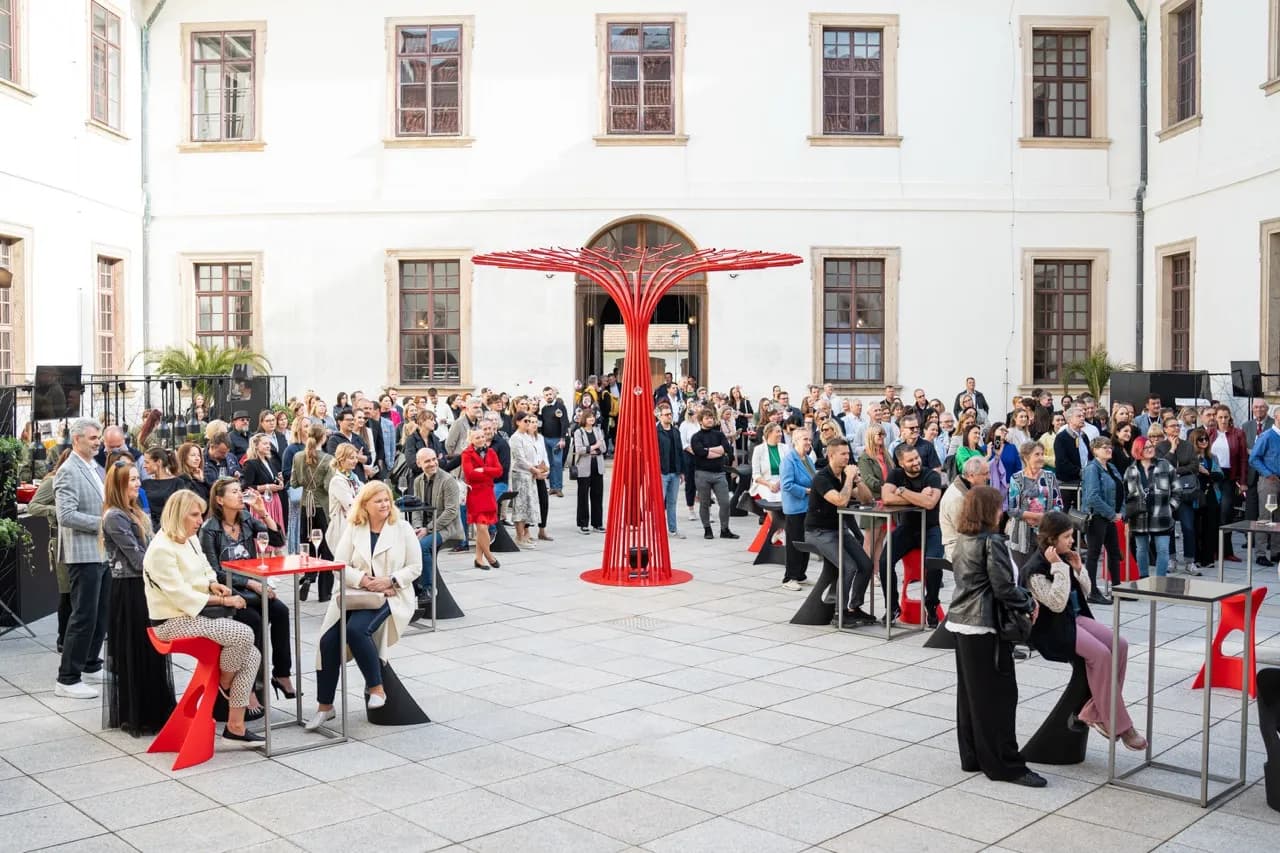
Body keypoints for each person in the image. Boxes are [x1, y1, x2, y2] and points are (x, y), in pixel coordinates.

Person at [143, 491, 263, 747]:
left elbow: (206, 568)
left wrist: (212, 585)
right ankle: (224, 682)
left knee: (253, 655)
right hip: (170, 622)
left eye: (201, 515)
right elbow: (180, 595)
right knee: (244, 634)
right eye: (195, 515)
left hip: (194, 614)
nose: (200, 520)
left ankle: (236, 726)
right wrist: (223, 600)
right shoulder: (161, 549)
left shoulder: (189, 539)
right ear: (178, 515)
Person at [1020, 512, 1147, 751]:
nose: (1071, 541)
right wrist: (1059, 569)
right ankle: (1120, 725)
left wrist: (1078, 569)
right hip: (1053, 630)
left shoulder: (1066, 557)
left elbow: (1085, 593)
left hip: (1075, 618)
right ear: (1051, 539)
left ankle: (1095, 711)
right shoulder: (1034, 570)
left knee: (1119, 644)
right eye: (1066, 537)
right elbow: (1056, 603)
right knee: (1100, 655)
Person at [946, 485, 1044, 787]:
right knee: (999, 698)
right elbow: (1002, 587)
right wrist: (1029, 601)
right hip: (984, 624)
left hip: (963, 623)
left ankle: (973, 754)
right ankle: (1005, 764)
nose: (1002, 511)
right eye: (999, 507)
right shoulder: (992, 542)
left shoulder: (964, 539)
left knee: (971, 696)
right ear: (989, 511)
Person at [305, 481, 422, 730]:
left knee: (357, 630)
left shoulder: (402, 528)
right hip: (356, 593)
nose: (384, 504)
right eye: (378, 500)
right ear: (365, 505)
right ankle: (325, 707)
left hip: (390, 594)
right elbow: (339, 564)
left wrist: (390, 580)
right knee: (327, 643)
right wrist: (364, 580)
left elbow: (415, 567)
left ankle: (376, 687)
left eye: (387, 499)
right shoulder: (355, 528)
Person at [100, 460, 176, 735]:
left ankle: (154, 710)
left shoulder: (134, 512)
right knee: (136, 651)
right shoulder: (114, 517)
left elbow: (153, 545)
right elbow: (138, 557)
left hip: (143, 587)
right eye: (132, 479)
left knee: (150, 651)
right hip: (129, 591)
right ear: (120, 484)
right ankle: (140, 714)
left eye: (136, 478)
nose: (138, 483)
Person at [200, 477, 292, 702]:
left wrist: (264, 512)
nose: (240, 495)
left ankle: (281, 674)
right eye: (234, 492)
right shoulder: (209, 530)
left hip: (254, 588)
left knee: (281, 612)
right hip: (230, 592)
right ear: (220, 500)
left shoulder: (248, 519)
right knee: (254, 621)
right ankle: (249, 685)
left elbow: (277, 540)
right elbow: (213, 571)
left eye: (240, 490)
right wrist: (251, 583)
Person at [53, 418, 110, 699]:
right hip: (82, 553)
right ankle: (67, 678)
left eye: (98, 437)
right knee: (84, 615)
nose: (97, 441)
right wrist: (104, 523)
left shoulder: (95, 468)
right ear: (76, 439)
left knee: (101, 613)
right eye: (92, 437)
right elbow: (65, 516)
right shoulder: (68, 471)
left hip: (101, 552)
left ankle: (90, 663)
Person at [803, 436, 877, 623]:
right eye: (843, 454)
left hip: (839, 529)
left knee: (866, 565)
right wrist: (849, 479)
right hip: (818, 532)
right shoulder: (822, 478)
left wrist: (858, 481)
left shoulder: (845, 476)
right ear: (831, 455)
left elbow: (867, 500)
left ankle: (854, 607)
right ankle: (839, 612)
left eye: (848, 454)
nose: (847, 458)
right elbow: (840, 500)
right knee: (849, 566)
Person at [880, 445, 945, 626]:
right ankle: (892, 607)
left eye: (916, 458)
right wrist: (918, 497)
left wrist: (902, 491)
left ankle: (931, 605)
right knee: (884, 561)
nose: (916, 462)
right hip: (907, 528)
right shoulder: (895, 474)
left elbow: (930, 503)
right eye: (910, 460)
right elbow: (886, 498)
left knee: (933, 562)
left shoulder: (931, 475)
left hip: (931, 527)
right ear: (901, 463)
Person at [411, 447, 463, 608]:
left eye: (434, 459)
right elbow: (417, 508)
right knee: (406, 544)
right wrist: (418, 527)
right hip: (427, 527)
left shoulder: (448, 481)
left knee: (422, 546)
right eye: (427, 461)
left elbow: (451, 512)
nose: (433, 463)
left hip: (447, 528)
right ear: (419, 464)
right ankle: (413, 585)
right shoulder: (418, 481)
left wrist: (428, 529)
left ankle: (428, 588)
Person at [291, 424, 335, 601]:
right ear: (323, 438)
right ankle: (325, 592)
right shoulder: (327, 459)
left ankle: (308, 577)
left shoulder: (298, 456)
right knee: (327, 548)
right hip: (322, 507)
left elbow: (294, 482)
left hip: (305, 507)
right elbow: (327, 486)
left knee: (307, 545)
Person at [1123, 439, 1176, 577]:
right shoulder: (1131, 470)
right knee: (1141, 549)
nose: (1150, 449)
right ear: (1137, 450)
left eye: (1151, 446)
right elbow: (1125, 494)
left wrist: (1171, 507)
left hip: (1162, 516)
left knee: (1163, 550)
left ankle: (1160, 581)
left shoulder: (1165, 465)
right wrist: (1126, 517)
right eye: (1145, 447)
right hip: (1139, 517)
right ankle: (1144, 578)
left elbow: (1177, 488)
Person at [1005, 441, 1063, 563]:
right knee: (1024, 575)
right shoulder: (1016, 478)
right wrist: (1035, 516)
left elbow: (1058, 504)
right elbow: (1012, 509)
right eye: (1037, 454)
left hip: (1046, 533)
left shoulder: (1050, 476)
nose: (1041, 458)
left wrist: (1045, 518)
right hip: (1021, 535)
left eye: (1042, 454)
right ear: (1026, 457)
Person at [1156, 416, 1199, 574]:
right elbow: (1161, 466)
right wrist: (1172, 449)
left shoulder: (1188, 445)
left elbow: (1194, 465)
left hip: (1184, 493)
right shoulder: (1161, 446)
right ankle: (1171, 559)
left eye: (1178, 426)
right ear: (1165, 429)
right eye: (1172, 426)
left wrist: (1177, 471)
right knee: (1169, 527)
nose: (1176, 429)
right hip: (1166, 494)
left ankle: (1189, 561)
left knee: (1188, 527)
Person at [689, 407, 739, 540]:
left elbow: (726, 449)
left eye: (711, 417)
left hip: (719, 473)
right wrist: (717, 451)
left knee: (725, 502)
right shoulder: (696, 437)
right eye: (706, 418)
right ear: (701, 421)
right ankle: (707, 529)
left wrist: (709, 450)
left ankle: (724, 529)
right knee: (705, 503)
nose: (710, 420)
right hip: (702, 474)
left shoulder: (719, 434)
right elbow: (700, 453)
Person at [779, 428, 818, 589]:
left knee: (805, 542)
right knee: (795, 543)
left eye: (809, 439)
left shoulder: (807, 459)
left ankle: (801, 574)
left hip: (808, 507)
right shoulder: (789, 460)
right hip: (795, 507)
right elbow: (787, 484)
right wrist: (807, 491)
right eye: (804, 439)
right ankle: (790, 577)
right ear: (795, 441)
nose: (808, 442)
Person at [1207, 405, 1246, 563]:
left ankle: (1226, 551)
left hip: (1229, 477)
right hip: (1212, 477)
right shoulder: (1209, 434)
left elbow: (1244, 458)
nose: (1223, 420)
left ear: (1230, 417)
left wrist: (1243, 481)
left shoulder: (1238, 434)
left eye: (1226, 417)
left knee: (1226, 513)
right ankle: (1213, 550)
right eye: (1220, 417)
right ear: (1215, 418)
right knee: (1213, 514)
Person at [463, 425, 503, 568]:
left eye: (482, 436)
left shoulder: (491, 452)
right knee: (481, 527)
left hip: (488, 492)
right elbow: (470, 474)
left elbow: (499, 471)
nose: (481, 439)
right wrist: (487, 473)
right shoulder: (466, 454)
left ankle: (478, 558)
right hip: (475, 494)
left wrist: (484, 470)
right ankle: (489, 555)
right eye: (477, 437)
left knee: (484, 525)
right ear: (471, 439)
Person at [940, 457, 990, 561]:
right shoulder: (957, 498)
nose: (988, 477)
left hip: (970, 543)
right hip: (959, 549)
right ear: (971, 476)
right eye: (985, 474)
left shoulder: (969, 487)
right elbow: (965, 531)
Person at [1248, 404, 1280, 566]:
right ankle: (1260, 553)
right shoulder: (1267, 436)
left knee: (1278, 517)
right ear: (1277, 417)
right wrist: (1268, 473)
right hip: (1270, 481)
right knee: (1266, 516)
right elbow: (1253, 458)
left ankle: (1276, 551)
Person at [1189, 427, 1225, 570]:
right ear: (1194, 441)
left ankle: (1208, 558)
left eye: (1206, 439)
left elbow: (1220, 475)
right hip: (1195, 495)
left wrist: (1207, 472)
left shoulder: (1212, 457)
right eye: (1200, 439)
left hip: (1211, 495)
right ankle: (1196, 558)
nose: (1204, 441)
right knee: (1196, 527)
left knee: (1210, 527)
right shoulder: (1190, 458)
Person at [509, 412, 544, 548]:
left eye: (530, 421)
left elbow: (533, 454)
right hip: (520, 475)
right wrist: (533, 469)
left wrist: (537, 467)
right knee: (520, 506)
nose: (528, 423)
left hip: (529, 474)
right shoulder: (516, 438)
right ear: (518, 422)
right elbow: (519, 458)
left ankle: (524, 534)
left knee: (528, 505)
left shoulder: (527, 436)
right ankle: (519, 537)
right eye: (525, 421)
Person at [569, 410, 607, 535]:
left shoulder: (597, 430)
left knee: (597, 495)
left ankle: (597, 523)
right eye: (589, 417)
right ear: (584, 418)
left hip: (597, 466)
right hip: (584, 468)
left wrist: (592, 449)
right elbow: (580, 449)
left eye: (593, 417)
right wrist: (595, 446)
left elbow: (604, 448)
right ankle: (583, 523)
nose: (592, 419)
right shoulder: (578, 432)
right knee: (583, 496)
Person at [241, 433, 286, 532]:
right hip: (261, 503)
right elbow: (246, 487)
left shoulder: (270, 461)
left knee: (276, 533)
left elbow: (272, 480)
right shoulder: (250, 463)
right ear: (256, 446)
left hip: (274, 500)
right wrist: (267, 487)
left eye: (269, 443)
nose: (268, 446)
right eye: (265, 444)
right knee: (264, 533)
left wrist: (280, 482)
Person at [750, 422, 786, 546]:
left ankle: (781, 530)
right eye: (777, 431)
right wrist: (769, 484)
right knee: (770, 497)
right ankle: (779, 529)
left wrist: (780, 482)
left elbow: (788, 470)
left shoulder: (785, 448)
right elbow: (756, 474)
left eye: (780, 431)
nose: (780, 434)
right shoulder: (759, 450)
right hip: (764, 482)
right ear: (769, 433)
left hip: (782, 481)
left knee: (785, 497)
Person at [326, 444, 362, 552]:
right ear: (341, 460)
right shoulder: (337, 481)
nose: (355, 461)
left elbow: (365, 492)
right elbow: (350, 505)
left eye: (356, 457)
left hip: (354, 526)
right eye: (351, 458)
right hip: (341, 529)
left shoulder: (353, 477)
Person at [140, 448, 186, 532]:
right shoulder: (144, 484)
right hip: (148, 528)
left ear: (159, 462)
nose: (144, 466)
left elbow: (179, 510)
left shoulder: (178, 483)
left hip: (170, 529)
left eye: (147, 462)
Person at [656, 406, 685, 539]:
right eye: (666, 414)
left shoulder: (675, 431)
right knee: (659, 502)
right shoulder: (656, 432)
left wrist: (682, 471)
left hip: (675, 471)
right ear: (660, 416)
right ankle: (659, 529)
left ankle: (672, 529)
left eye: (670, 414)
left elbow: (679, 451)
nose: (669, 416)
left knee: (672, 501)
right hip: (662, 471)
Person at [539, 386, 573, 497]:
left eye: (550, 394)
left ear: (554, 394)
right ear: (544, 396)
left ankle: (558, 487)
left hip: (557, 440)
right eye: (546, 395)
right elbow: (542, 424)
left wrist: (563, 439)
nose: (549, 396)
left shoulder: (560, 407)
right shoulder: (544, 409)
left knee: (558, 463)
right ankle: (552, 487)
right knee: (550, 464)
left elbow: (564, 423)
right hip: (545, 439)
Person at [1053, 407, 1090, 503]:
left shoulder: (1084, 436)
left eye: (1083, 416)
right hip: (1067, 483)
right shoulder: (1061, 437)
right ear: (1069, 419)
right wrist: (1080, 472)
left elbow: (1088, 456)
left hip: (1084, 481)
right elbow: (1062, 461)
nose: (1082, 418)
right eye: (1079, 416)